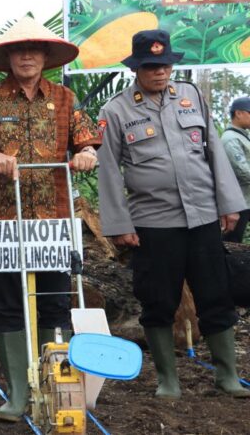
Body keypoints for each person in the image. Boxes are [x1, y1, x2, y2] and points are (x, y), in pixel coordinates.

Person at [0, 16, 101, 422]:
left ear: (45, 57)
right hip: (4, 219)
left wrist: (87, 154)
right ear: (7, 57)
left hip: (53, 218)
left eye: (34, 50)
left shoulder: (65, 98)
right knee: (7, 303)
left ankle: (58, 385)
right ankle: (18, 391)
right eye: (18, 50)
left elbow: (87, 142)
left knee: (56, 302)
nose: (26, 56)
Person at [97, 29, 250, 399]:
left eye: (164, 64)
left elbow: (213, 148)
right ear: (136, 68)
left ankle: (226, 375)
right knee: (158, 300)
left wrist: (229, 203)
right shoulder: (116, 110)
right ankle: (169, 380)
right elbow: (108, 170)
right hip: (153, 222)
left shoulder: (191, 95)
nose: (159, 72)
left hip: (202, 218)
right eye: (150, 66)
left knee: (216, 295)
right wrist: (119, 225)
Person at [221, 96, 250, 243]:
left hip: (245, 199)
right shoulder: (231, 139)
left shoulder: (242, 137)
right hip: (238, 203)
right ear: (238, 113)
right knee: (232, 243)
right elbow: (243, 172)